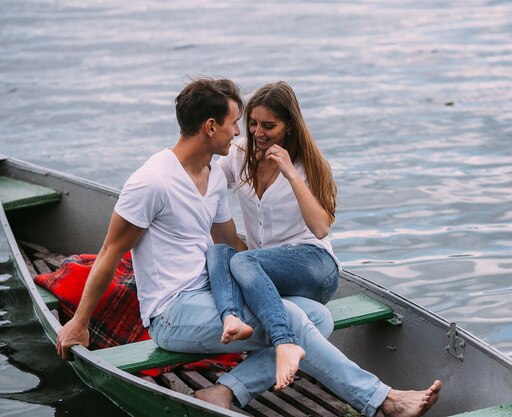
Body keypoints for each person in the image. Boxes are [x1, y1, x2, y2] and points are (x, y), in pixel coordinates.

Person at [55, 77, 442, 417]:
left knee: (317, 317)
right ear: (211, 127)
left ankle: (223, 390)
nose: (241, 132)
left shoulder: (211, 175)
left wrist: (256, 289)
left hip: (211, 296)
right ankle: (380, 400)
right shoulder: (151, 181)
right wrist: (80, 322)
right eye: (235, 123)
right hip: (172, 311)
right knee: (290, 320)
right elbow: (110, 252)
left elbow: (230, 244)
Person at [208, 81, 341, 390]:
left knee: (243, 262)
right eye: (252, 123)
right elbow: (207, 177)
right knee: (218, 253)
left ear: (290, 126)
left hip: (315, 266)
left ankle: (283, 341)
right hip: (265, 270)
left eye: (269, 126)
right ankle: (233, 319)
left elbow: (321, 228)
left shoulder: (308, 165)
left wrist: (291, 174)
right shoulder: (240, 155)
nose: (258, 132)